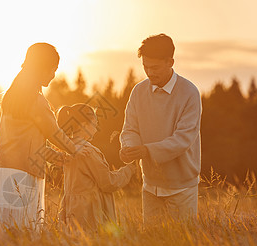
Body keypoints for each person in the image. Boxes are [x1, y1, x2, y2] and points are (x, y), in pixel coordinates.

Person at [0, 43, 81, 229]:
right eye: (52, 69)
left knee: (1, 234)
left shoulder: (12, 98)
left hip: (1, 171)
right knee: (24, 233)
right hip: (23, 174)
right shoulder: (36, 100)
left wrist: (54, 156)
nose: (53, 75)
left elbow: (22, 142)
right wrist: (76, 149)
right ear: (42, 68)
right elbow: (54, 133)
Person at [119, 34, 202, 224]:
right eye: (145, 66)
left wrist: (146, 150)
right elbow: (130, 129)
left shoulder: (190, 93)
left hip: (182, 189)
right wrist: (129, 148)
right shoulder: (138, 92)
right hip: (150, 187)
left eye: (154, 67)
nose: (149, 72)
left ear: (170, 62)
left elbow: (182, 139)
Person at [57, 103, 137, 230]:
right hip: (89, 215)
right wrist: (129, 170)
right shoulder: (89, 152)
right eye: (94, 124)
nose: (96, 128)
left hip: (71, 211)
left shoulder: (68, 149)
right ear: (84, 126)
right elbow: (108, 182)